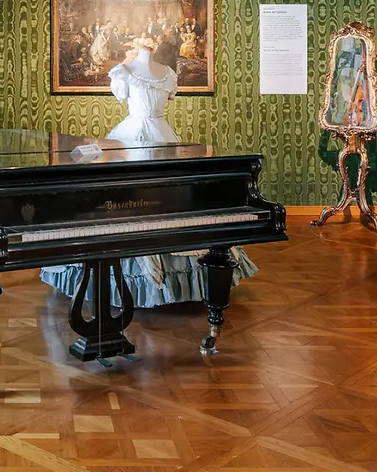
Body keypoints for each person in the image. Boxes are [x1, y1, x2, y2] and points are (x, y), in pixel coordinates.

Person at [39, 38, 259, 307]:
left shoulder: (161, 72)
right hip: (150, 135)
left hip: (147, 134)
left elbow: (129, 98)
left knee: (156, 199)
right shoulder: (132, 71)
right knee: (131, 199)